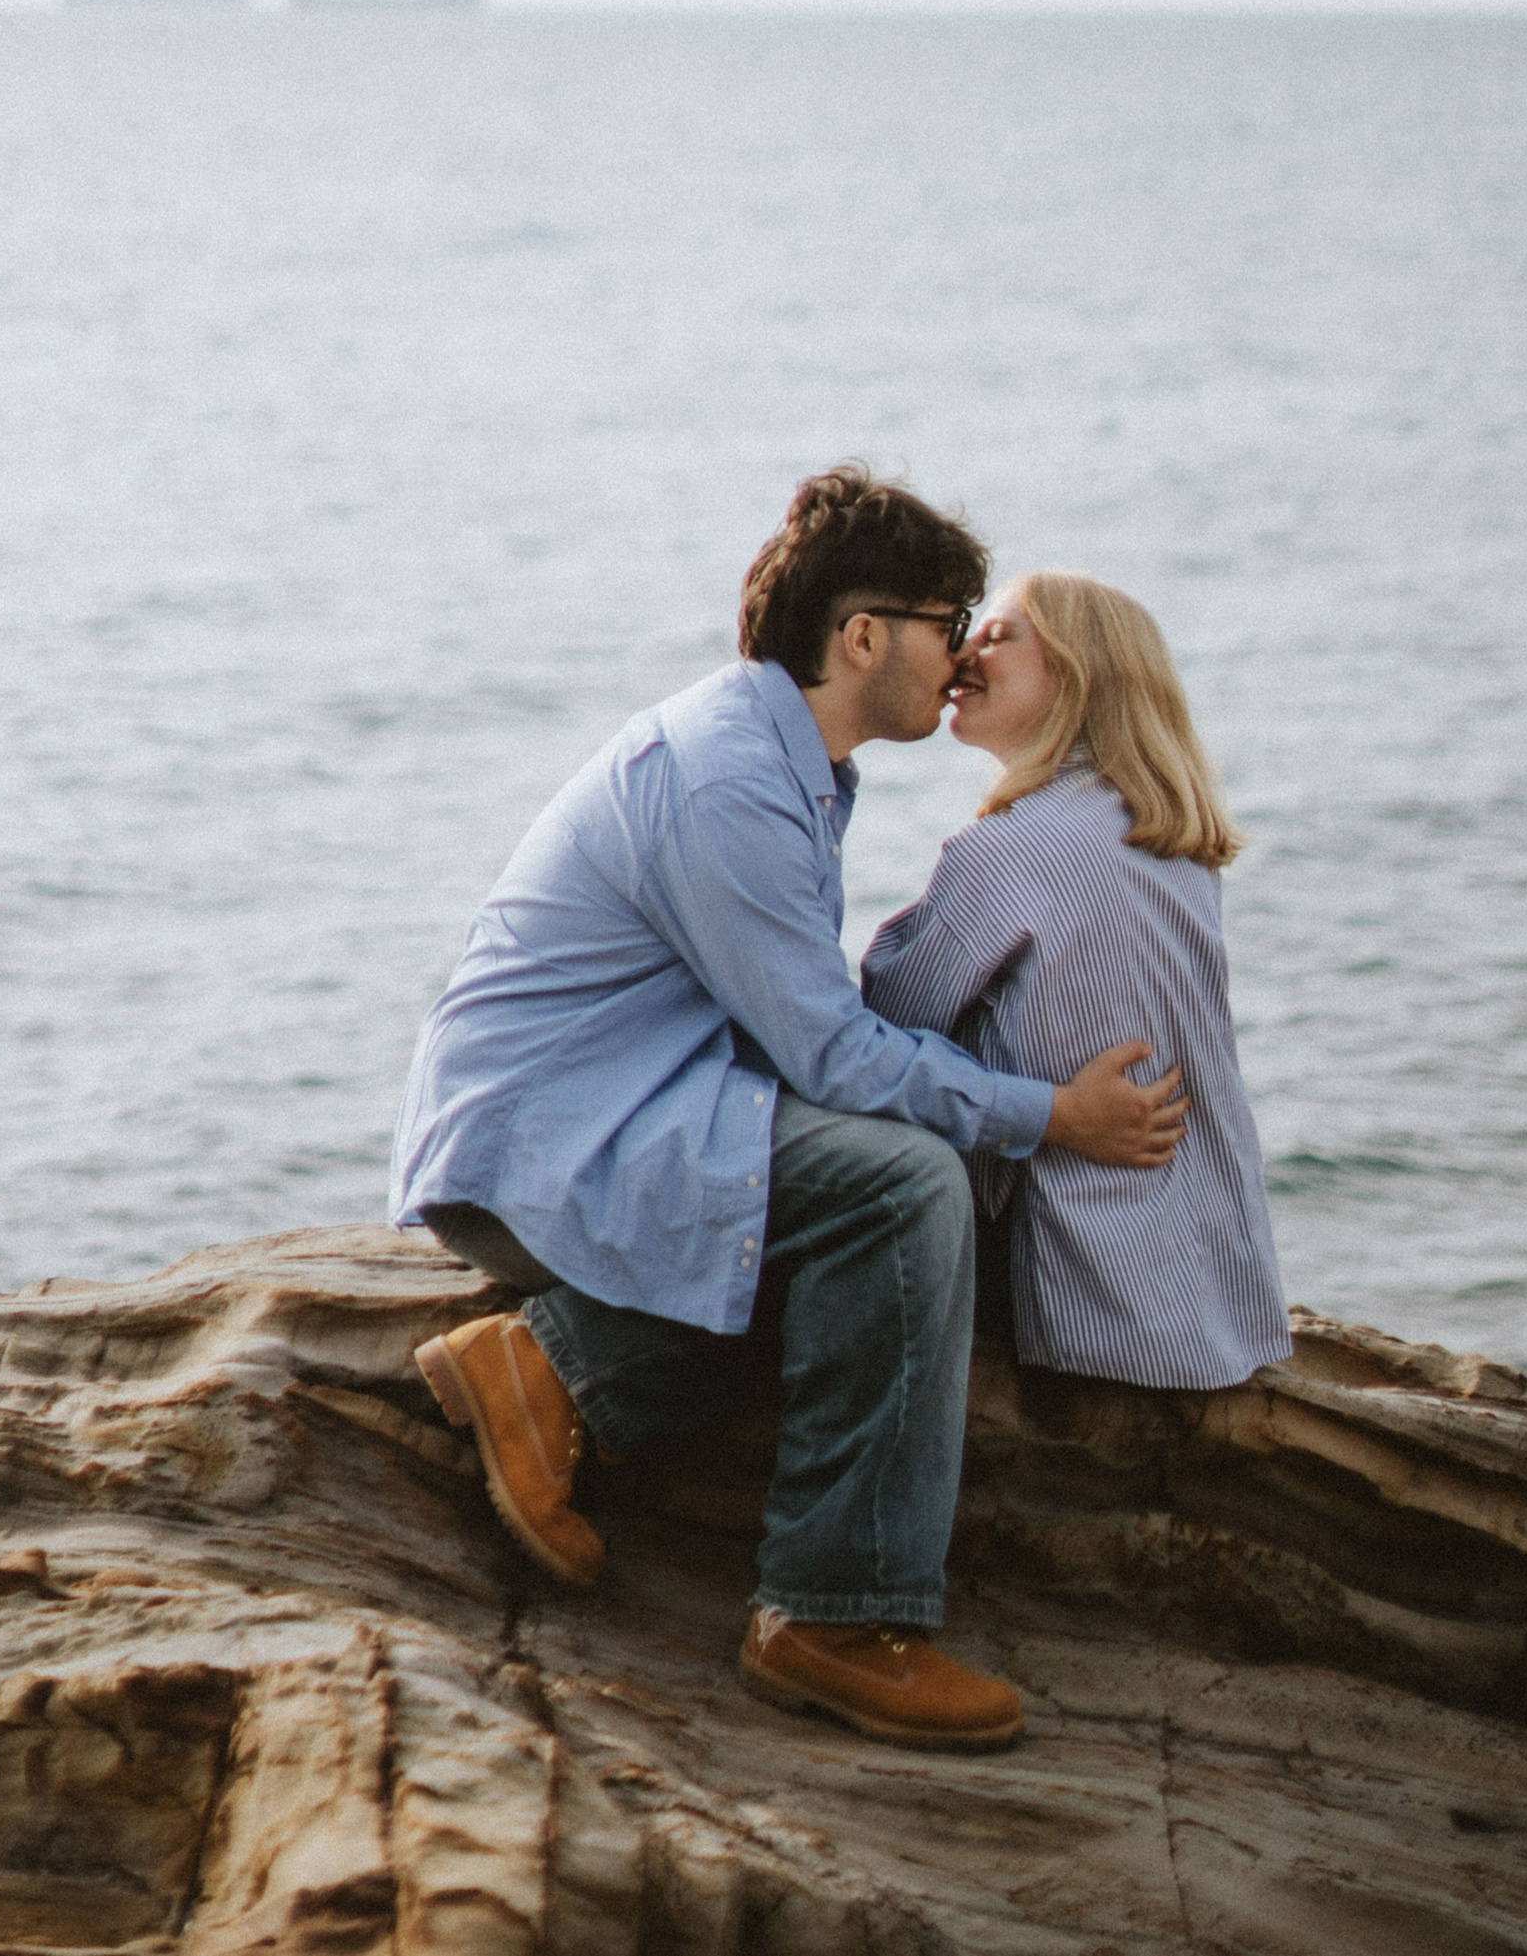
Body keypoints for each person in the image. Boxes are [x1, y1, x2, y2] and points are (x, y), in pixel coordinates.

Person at [389, 467, 1187, 1751]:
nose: (964, 649)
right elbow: (836, 1060)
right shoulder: (730, 780)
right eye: (950, 618)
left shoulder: (791, 763)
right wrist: (1050, 1112)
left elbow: (821, 1041)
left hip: (632, 1123)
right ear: (862, 635)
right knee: (908, 1186)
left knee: (920, 1212)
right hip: (546, 1158)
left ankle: (554, 1370)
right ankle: (831, 1611)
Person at [863, 572, 1288, 1392]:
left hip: (1082, 1296)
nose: (963, 650)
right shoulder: (1171, 840)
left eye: (999, 634)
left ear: (1077, 672)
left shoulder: (1008, 854)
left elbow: (881, 1026)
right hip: (1209, 1289)